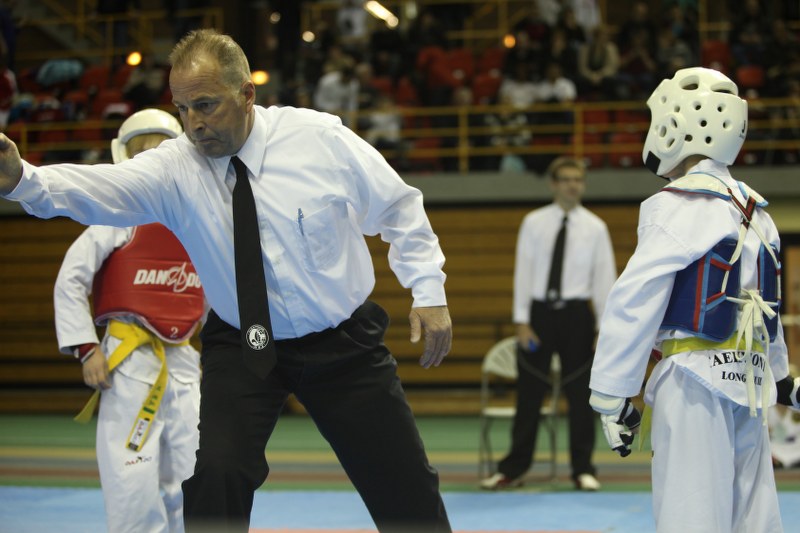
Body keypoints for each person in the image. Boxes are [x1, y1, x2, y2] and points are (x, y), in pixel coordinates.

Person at [0, 28, 452, 533]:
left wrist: (428, 291)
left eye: (207, 105)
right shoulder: (175, 168)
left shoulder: (318, 139)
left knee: (404, 484)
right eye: (182, 108)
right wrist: (23, 180)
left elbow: (398, 206)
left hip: (342, 344)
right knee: (215, 473)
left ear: (247, 94)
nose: (193, 124)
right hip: (242, 344)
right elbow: (96, 188)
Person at [589, 67, 800, 532]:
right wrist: (781, 379)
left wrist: (611, 392)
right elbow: (766, 304)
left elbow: (636, 295)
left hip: (692, 379)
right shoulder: (757, 212)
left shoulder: (676, 203)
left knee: (692, 511)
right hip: (750, 380)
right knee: (753, 512)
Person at [53, 108, 204, 533]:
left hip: (185, 360)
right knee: (131, 474)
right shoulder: (114, 216)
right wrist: (86, 347)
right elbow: (71, 278)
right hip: (128, 358)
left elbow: (211, 290)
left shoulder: (195, 222)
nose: (152, 155)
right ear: (126, 156)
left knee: (194, 468)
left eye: (161, 147)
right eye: (143, 149)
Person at [481, 156, 617, 491]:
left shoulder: (595, 227)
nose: (573, 185)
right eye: (567, 179)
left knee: (580, 395)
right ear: (554, 184)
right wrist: (521, 321)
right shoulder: (534, 222)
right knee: (529, 394)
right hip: (539, 316)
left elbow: (605, 278)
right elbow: (523, 273)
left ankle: (583, 469)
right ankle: (513, 469)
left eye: (578, 180)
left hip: (577, 316)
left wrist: (604, 328)